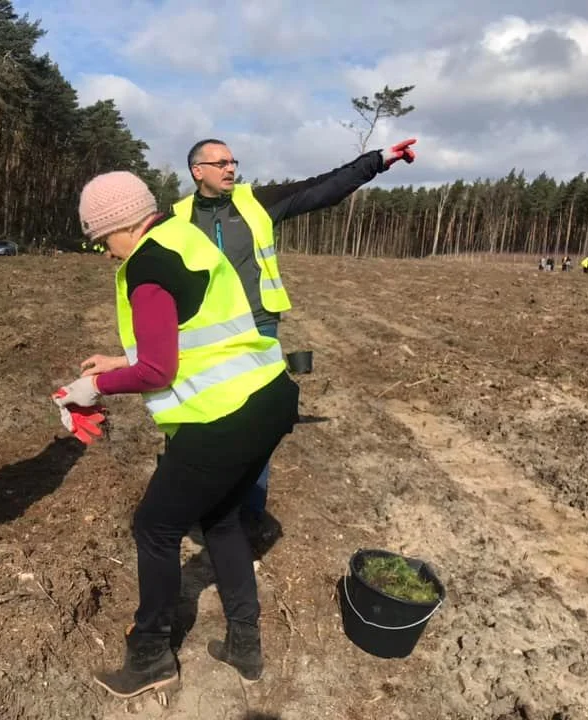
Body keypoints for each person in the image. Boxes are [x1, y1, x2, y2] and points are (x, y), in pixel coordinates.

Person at [54, 171, 300, 698]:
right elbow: (193, 332)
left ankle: (149, 657)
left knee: (155, 528)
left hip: (225, 418)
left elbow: (158, 372)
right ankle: (244, 645)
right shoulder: (184, 235)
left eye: (101, 240)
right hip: (270, 397)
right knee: (222, 519)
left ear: (121, 225)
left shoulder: (147, 266)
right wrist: (123, 357)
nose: (104, 253)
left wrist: (96, 385)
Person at [172, 137, 416, 522]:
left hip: (258, 329)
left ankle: (249, 512)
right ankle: (202, 502)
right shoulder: (177, 218)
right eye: (220, 163)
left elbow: (322, 188)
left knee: (255, 423)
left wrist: (378, 160)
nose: (231, 168)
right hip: (204, 337)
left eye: (233, 161)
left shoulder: (257, 202)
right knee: (200, 418)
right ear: (197, 171)